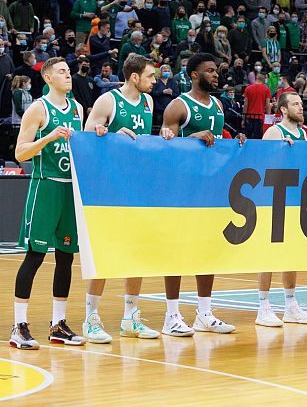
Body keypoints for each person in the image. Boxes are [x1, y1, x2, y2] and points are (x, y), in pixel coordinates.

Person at [82, 55, 172, 343]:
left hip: (139, 185)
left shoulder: (148, 102)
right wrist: (109, 135)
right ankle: (90, 318)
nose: (154, 81)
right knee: (106, 254)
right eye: (150, 76)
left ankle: (130, 317)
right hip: (109, 188)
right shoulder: (108, 101)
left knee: (137, 251)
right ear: (134, 77)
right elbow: (85, 137)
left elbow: (145, 139)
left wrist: (165, 133)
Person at [159, 53, 242, 336]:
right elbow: (165, 146)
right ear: (194, 74)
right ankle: (171, 316)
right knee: (177, 251)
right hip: (181, 189)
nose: (216, 74)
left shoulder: (219, 105)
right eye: (210, 70)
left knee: (207, 250)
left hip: (211, 188)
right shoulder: (178, 106)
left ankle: (204, 313)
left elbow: (218, 145)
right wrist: (191, 138)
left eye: (217, 70)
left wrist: (237, 144)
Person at [11, 57, 86, 350]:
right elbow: (20, 153)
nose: (69, 75)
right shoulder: (38, 109)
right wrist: (49, 136)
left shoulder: (79, 109)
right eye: (62, 72)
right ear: (48, 78)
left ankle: (59, 325)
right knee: (35, 255)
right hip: (45, 188)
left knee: (66, 256)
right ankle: (19, 326)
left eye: (69, 71)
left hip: (70, 190)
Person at [257, 92, 307, 326]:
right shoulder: (275, 132)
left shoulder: (305, 134)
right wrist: (280, 152)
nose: (300, 108)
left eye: (301, 104)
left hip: (296, 198)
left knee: (292, 252)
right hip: (273, 198)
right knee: (270, 253)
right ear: (283, 109)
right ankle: (263, 306)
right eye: (295, 104)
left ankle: (290, 305)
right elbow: (261, 165)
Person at [242, 72, 271, 139]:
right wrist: (268, 118)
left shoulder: (248, 88)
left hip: (249, 117)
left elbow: (245, 104)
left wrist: (243, 118)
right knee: (258, 138)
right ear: (264, 78)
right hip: (260, 117)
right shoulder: (266, 89)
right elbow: (267, 105)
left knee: (248, 137)